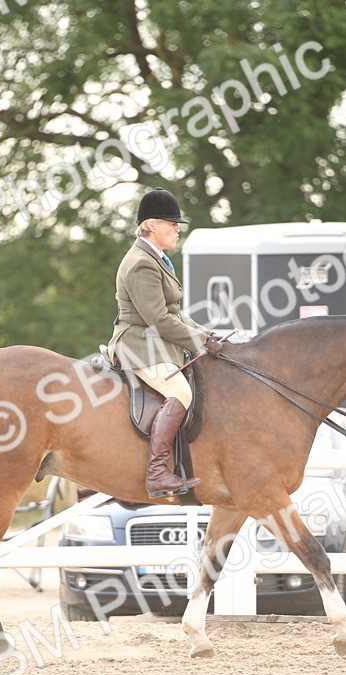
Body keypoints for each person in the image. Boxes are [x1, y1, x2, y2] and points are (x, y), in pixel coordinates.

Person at [108, 188, 223, 498]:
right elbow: (159, 319)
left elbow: (175, 312)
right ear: (151, 225)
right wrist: (198, 340)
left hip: (154, 342)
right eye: (171, 223)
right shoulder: (140, 263)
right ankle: (158, 472)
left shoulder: (156, 259)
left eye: (177, 224)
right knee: (179, 390)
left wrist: (206, 334)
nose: (177, 229)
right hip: (137, 343)